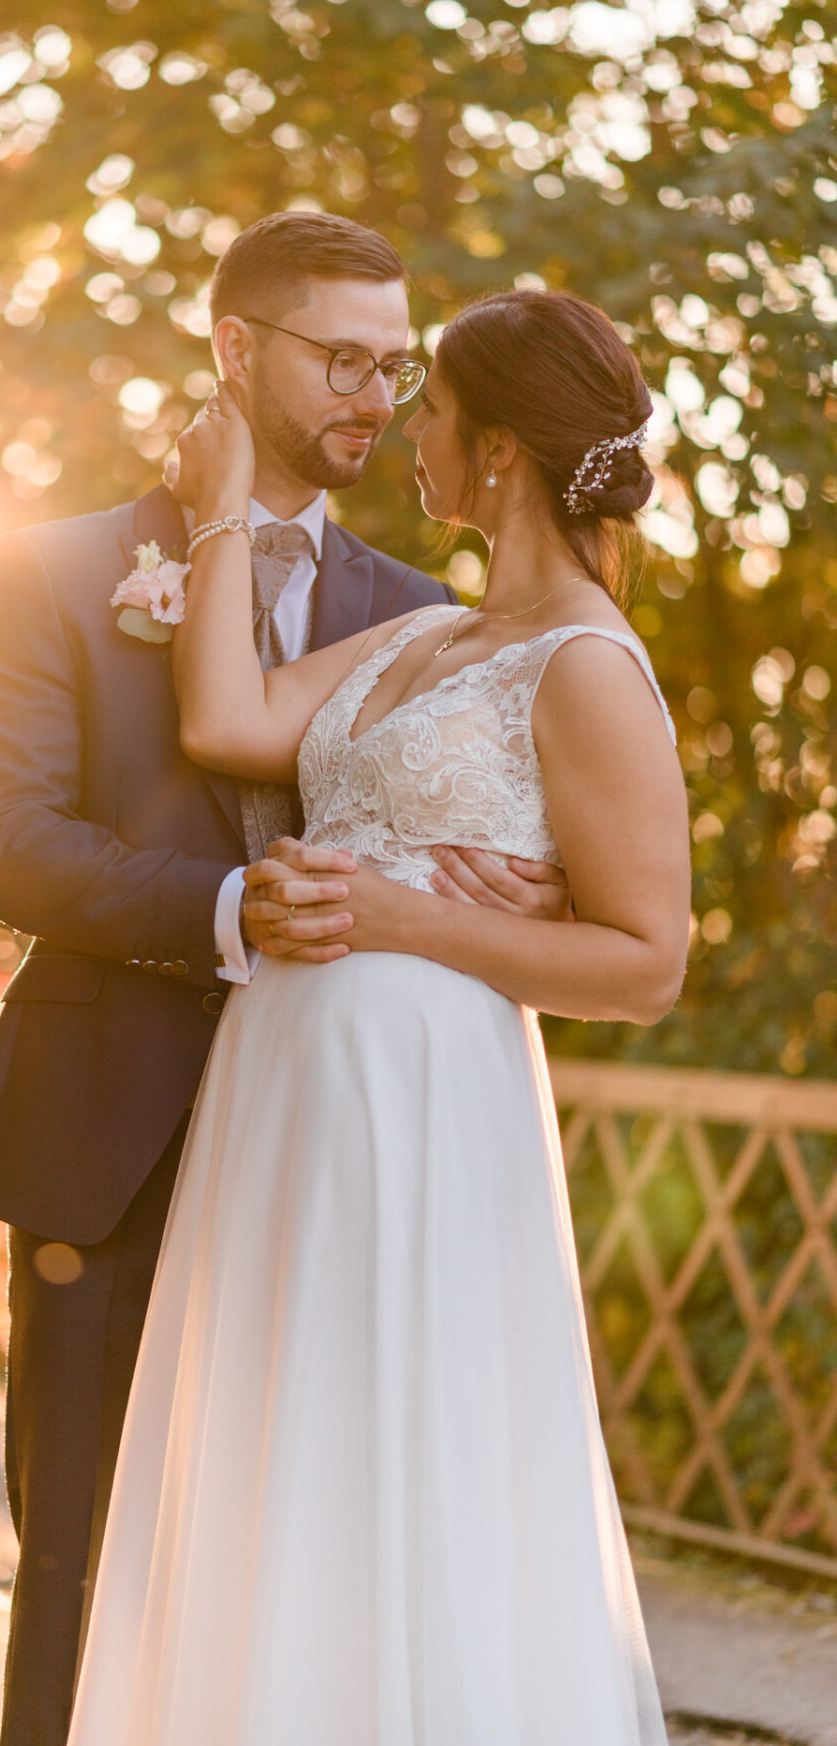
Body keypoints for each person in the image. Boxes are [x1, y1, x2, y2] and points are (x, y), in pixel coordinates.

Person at [0, 213, 570, 1746]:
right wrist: (231, 905)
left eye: (391, 366)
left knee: (307, 1577)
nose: (372, 393)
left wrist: (511, 866)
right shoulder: (62, 567)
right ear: (236, 347)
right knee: (86, 1567)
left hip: (338, 1161)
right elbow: (13, 843)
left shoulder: (422, 606)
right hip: (113, 1147)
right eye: (341, 358)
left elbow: (480, 807)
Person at [64, 286, 690, 1746]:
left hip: (422, 1111)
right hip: (284, 1101)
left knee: (401, 1458)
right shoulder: (428, 635)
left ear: (501, 455)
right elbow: (226, 718)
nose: (409, 433)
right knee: (287, 1462)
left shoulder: (588, 666)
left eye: (436, 413)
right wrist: (222, 506)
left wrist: (409, 915)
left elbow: (649, 961)